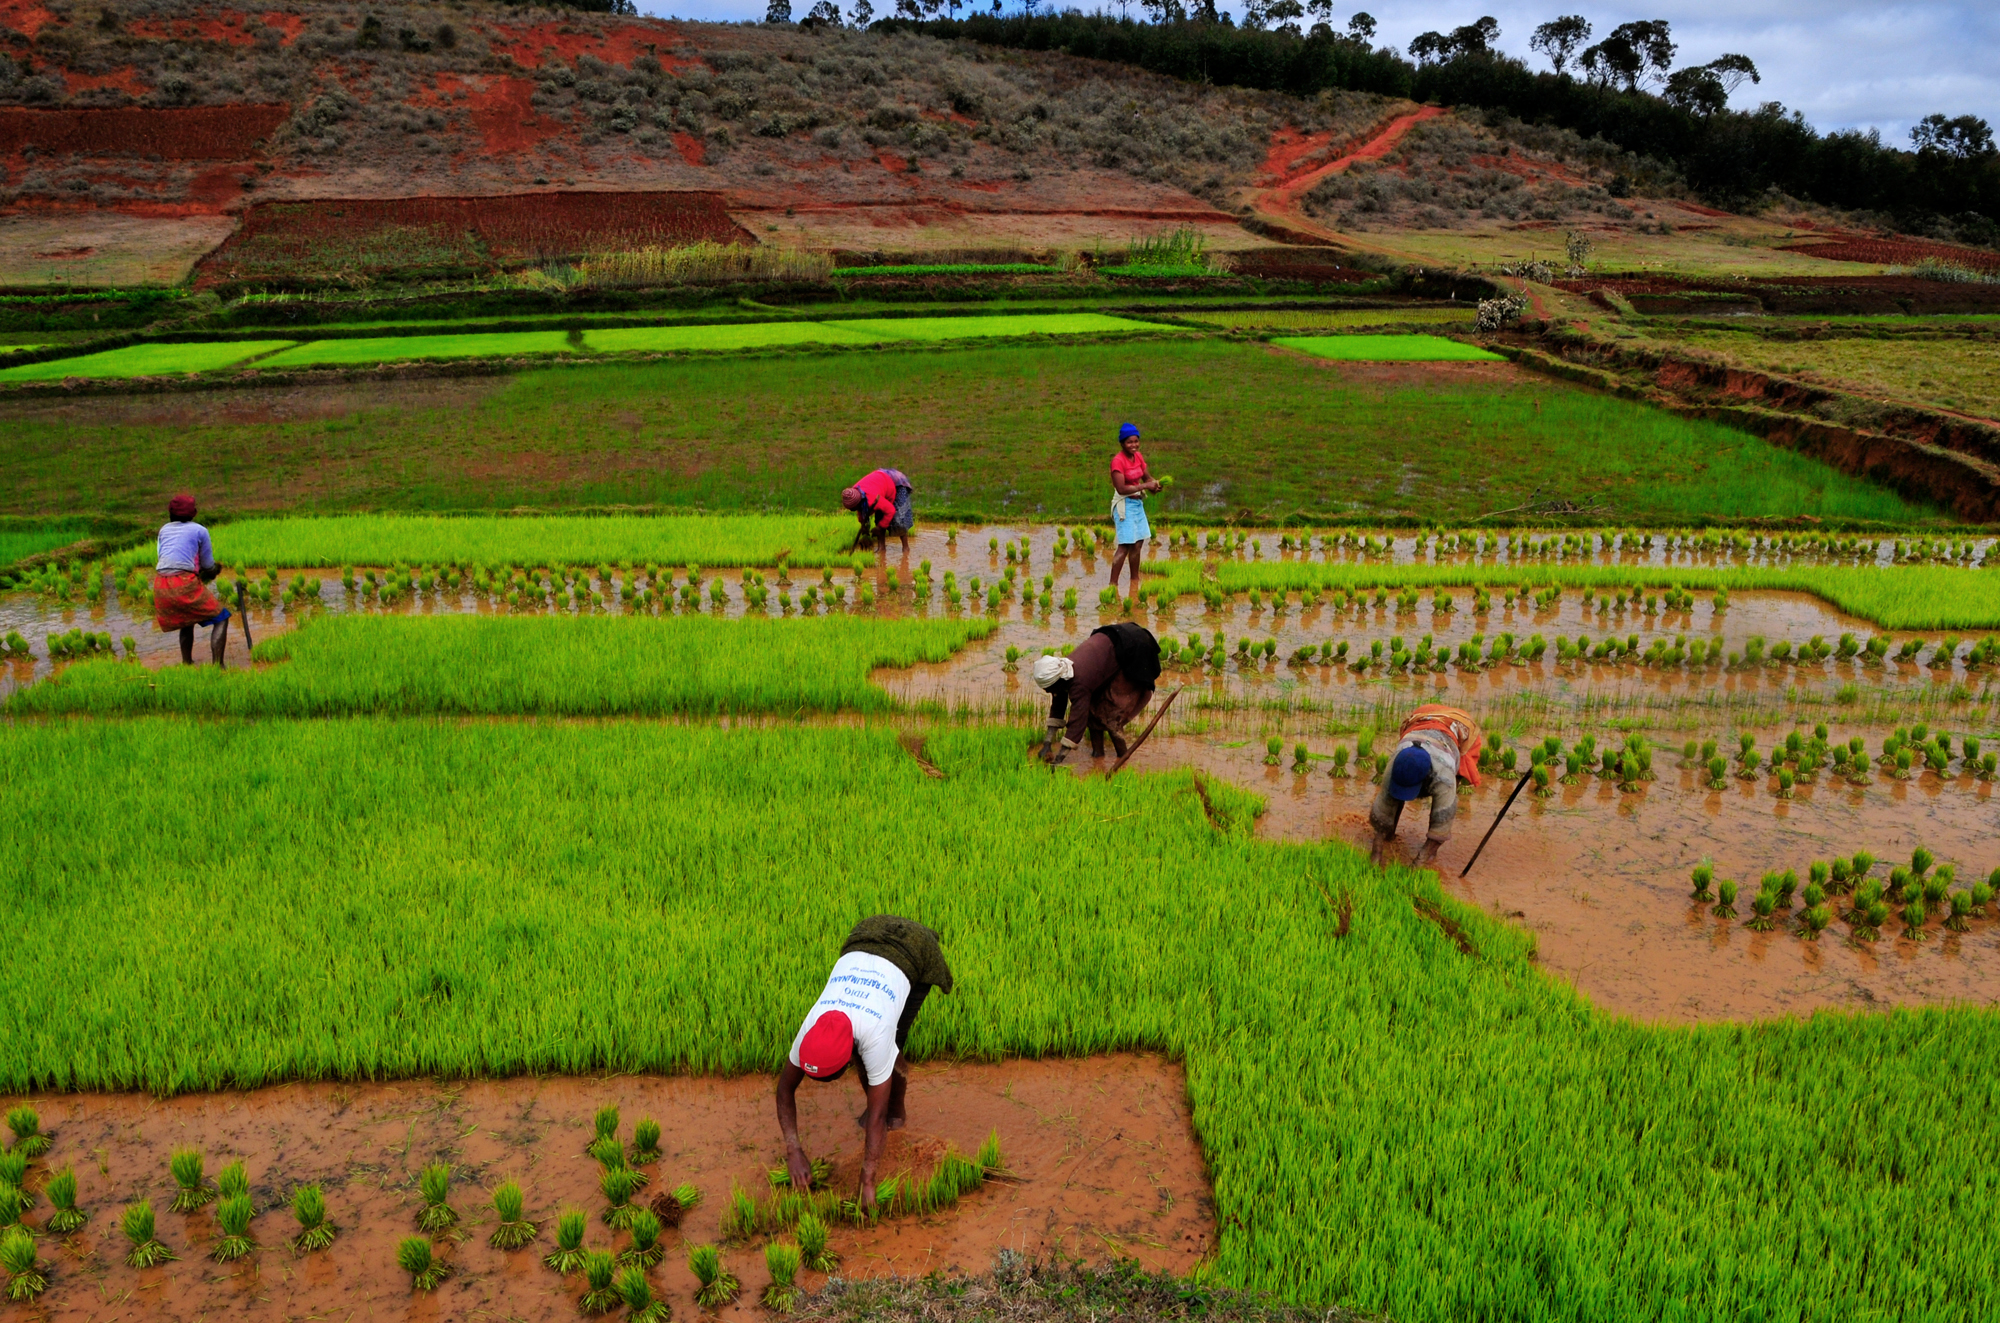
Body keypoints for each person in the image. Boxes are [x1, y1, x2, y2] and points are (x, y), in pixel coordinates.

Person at [776, 915, 954, 1213]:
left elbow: (876, 1116)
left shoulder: (873, 1033)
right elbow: (784, 1090)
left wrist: (867, 1179)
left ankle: (900, 1112)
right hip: (865, 935)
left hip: (913, 950)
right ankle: (889, 1099)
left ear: (846, 1058)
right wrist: (793, 1150)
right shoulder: (811, 1026)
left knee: (892, 1047)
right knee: (875, 1062)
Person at [1369, 704, 1485, 869]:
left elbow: (1443, 820)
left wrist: (1417, 864)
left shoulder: (1443, 776)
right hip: (1423, 717)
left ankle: (1431, 853)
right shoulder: (1396, 761)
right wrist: (1376, 852)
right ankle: (1390, 834)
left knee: (1443, 807)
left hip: (1459, 725)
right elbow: (1384, 805)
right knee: (1392, 801)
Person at [1032, 622, 1161, 764]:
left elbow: (1077, 721)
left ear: (1056, 682)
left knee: (1112, 716)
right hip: (1109, 641)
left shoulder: (1078, 682)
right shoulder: (1062, 673)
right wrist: (1047, 744)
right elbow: (1058, 705)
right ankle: (1098, 756)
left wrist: (1059, 758)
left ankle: (1122, 759)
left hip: (1132, 647)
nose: (1046, 691)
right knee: (1092, 712)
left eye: (1048, 688)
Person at [152, 493, 232, 667]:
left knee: (186, 621)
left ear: (171, 512)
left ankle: (187, 663)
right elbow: (208, 564)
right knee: (221, 617)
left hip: (160, 583)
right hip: (184, 581)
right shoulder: (199, 530)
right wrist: (213, 570)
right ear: (193, 513)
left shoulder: (164, 530)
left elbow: (164, 558)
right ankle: (218, 666)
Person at [1107, 424, 1161, 601]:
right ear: (1122, 443)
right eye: (1129, 442)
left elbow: (1147, 477)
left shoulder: (1138, 457)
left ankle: (1134, 580)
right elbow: (1121, 488)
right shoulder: (1118, 461)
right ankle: (1112, 585)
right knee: (1125, 545)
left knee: (1138, 544)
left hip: (1137, 504)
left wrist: (1155, 485)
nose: (1134, 445)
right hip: (1125, 504)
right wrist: (1146, 486)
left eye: (1136, 441)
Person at [841, 468, 914, 554]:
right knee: (879, 518)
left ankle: (906, 548)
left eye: (853, 508)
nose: (851, 510)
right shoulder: (853, 494)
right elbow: (861, 511)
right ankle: (881, 548)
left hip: (896, 482)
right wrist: (864, 527)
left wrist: (880, 527)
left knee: (899, 519)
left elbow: (890, 510)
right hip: (879, 483)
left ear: (858, 502)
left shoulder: (872, 498)